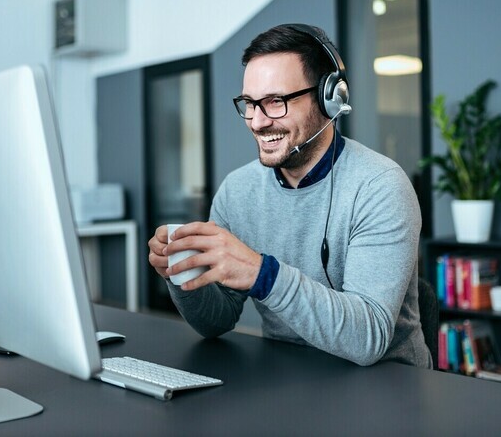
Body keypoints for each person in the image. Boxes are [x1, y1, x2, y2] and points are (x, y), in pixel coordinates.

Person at [148, 24, 430, 368]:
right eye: (249, 103)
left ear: (329, 98)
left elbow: (367, 339)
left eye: (275, 102)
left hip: (387, 392)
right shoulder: (237, 192)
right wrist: (183, 272)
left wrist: (262, 274)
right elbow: (216, 321)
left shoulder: (381, 187)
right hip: (288, 380)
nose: (257, 121)